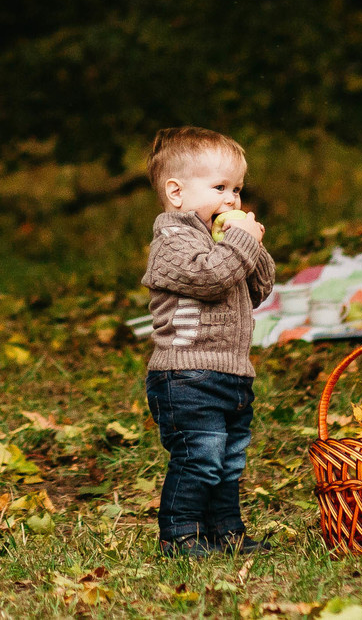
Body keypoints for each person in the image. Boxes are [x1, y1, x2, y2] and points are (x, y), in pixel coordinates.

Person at [140, 126, 277, 556]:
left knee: (229, 459)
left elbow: (259, 289)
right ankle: (179, 535)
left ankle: (226, 532)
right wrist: (239, 241)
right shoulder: (172, 242)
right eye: (220, 187)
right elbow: (212, 277)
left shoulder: (218, 240)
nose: (232, 199)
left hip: (230, 373)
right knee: (199, 457)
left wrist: (252, 246)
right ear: (176, 193)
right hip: (185, 375)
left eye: (236, 188)